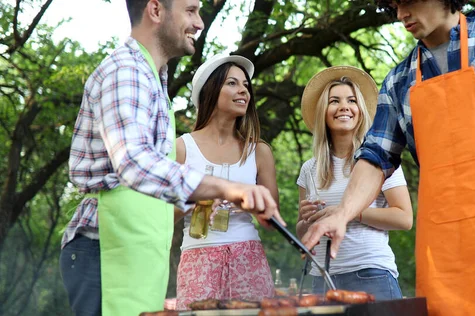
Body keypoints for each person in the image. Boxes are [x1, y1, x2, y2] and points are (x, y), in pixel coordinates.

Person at [301, 1, 475, 315]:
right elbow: (375, 157)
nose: (400, 14)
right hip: (443, 252)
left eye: (407, 1)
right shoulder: (398, 81)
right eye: (393, 5)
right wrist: (342, 212)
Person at [59, 1, 283, 315]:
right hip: (104, 248)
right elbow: (133, 162)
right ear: (155, 10)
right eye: (191, 10)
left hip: (133, 252)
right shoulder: (127, 72)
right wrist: (230, 188)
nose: (200, 22)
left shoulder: (152, 80)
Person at [296, 66, 413, 300]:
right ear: (323, 112)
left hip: (371, 274)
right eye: (334, 101)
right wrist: (306, 220)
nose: (344, 107)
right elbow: (302, 233)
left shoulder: (380, 159)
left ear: (360, 110)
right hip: (322, 278)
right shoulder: (310, 168)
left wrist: (348, 212)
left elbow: (404, 218)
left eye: (351, 100)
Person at [174, 54, 277, 310]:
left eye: (245, 85)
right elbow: (163, 215)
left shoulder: (259, 151)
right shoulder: (181, 148)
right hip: (197, 259)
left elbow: (272, 219)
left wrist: (249, 203)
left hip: (248, 257)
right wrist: (197, 199)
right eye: (232, 83)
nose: (243, 90)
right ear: (210, 89)